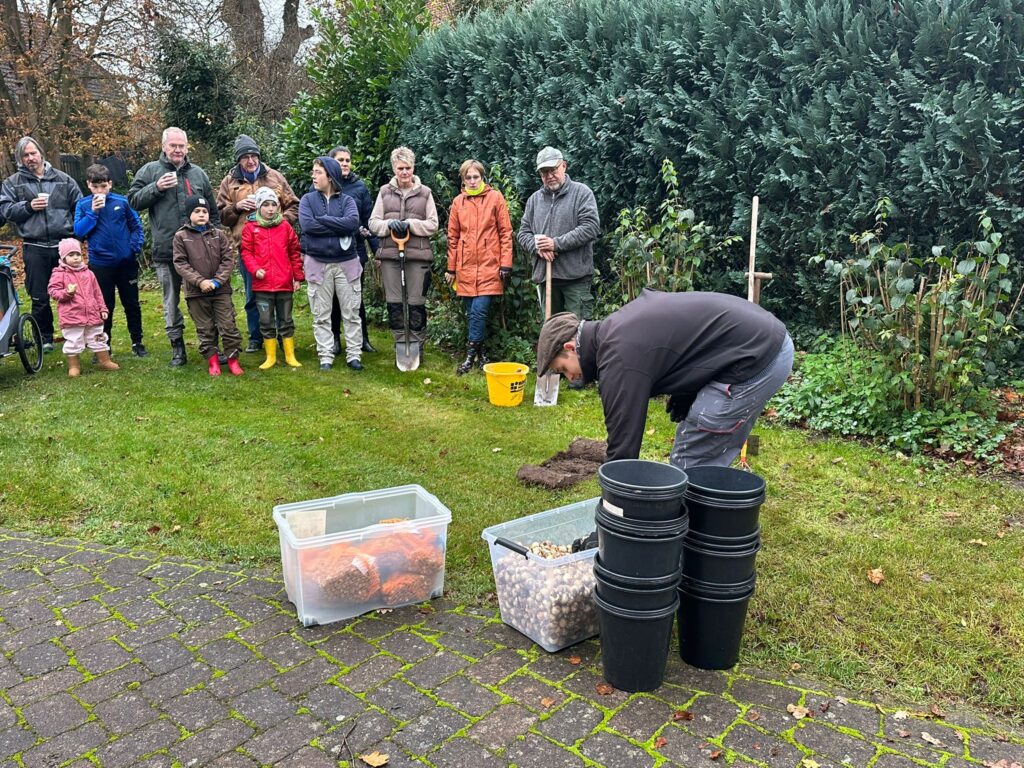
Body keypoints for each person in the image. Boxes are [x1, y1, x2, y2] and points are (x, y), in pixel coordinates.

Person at [536, 289, 794, 469]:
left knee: (692, 456)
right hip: (760, 339)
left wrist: (613, 510)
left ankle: (695, 524)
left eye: (563, 369)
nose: (570, 378)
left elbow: (623, 449)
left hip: (758, 355)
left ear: (570, 347)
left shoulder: (618, 358)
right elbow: (683, 344)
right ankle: (709, 507)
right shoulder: (615, 330)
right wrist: (686, 392)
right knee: (703, 443)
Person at [128, 127, 218, 367]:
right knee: (170, 301)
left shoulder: (198, 174)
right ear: (163, 147)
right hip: (166, 250)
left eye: (181, 146)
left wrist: (216, 241)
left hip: (200, 252)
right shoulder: (150, 171)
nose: (178, 150)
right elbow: (133, 201)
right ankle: (178, 348)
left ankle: (211, 345)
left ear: (187, 147)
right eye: (173, 146)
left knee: (206, 298)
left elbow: (213, 211)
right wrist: (156, 188)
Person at [216, 134, 299, 354]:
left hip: (278, 248)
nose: (251, 160)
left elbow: (294, 206)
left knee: (280, 293)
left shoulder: (275, 177)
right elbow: (221, 216)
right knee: (253, 294)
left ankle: (282, 335)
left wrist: (281, 223)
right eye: (245, 157)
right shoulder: (229, 182)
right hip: (248, 249)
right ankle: (256, 337)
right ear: (238, 160)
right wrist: (236, 207)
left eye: (254, 156)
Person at [0, 136, 83, 350]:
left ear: (41, 153)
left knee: (74, 292)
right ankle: (44, 338)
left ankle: (78, 334)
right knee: (39, 297)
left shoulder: (63, 179)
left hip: (63, 245)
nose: (30, 158)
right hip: (34, 245)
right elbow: (5, 211)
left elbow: (80, 208)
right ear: (20, 159)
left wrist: (77, 237)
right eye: (25, 155)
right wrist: (28, 207)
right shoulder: (12, 183)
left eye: (33, 153)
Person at [368, 146, 439, 357]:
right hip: (390, 256)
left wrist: (410, 224)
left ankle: (416, 344)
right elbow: (373, 223)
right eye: (400, 168)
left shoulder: (425, 193)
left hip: (418, 257)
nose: (405, 172)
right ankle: (400, 342)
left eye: (408, 168)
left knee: (416, 303)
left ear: (413, 167)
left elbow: (433, 224)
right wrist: (389, 224)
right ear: (394, 169)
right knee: (395, 303)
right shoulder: (384, 192)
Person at [445, 159, 513, 374]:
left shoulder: (495, 197)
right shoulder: (458, 202)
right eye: (469, 178)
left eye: (476, 177)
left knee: (479, 312)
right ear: (463, 180)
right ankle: (482, 355)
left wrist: (505, 264)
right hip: (465, 267)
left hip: (489, 265)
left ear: (482, 177)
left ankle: (469, 356)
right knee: (472, 314)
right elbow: (453, 237)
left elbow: (505, 233)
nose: (473, 181)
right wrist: (451, 268)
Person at [516, 146, 600, 320]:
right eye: (544, 172)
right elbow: (523, 233)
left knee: (577, 331)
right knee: (552, 332)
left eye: (553, 170)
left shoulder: (581, 193)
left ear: (564, 166)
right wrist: (537, 246)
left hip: (575, 279)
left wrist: (555, 244)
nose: (549, 176)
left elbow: (590, 227)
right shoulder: (534, 200)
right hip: (546, 280)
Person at [73, 163, 148, 357]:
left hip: (126, 263)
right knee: (104, 306)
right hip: (100, 265)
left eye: (103, 186)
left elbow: (136, 226)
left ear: (110, 184)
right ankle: (104, 346)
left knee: (132, 304)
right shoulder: (83, 205)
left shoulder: (122, 202)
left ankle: (137, 342)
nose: (100, 191)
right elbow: (79, 232)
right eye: (95, 187)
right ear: (88, 185)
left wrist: (133, 249)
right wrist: (93, 212)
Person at [298, 156, 363, 371]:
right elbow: (308, 226)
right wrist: (338, 226)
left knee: (351, 313)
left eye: (318, 172)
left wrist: (323, 219)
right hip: (317, 264)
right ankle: (325, 355)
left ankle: (354, 355)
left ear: (330, 176)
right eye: (313, 172)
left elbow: (352, 224)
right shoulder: (307, 200)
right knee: (321, 314)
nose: (313, 176)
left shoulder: (348, 201)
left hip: (347, 264)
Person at [172, 196, 243, 377]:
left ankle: (233, 360)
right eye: (197, 211)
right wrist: (200, 281)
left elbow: (228, 260)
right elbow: (180, 263)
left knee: (228, 325)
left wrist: (217, 281)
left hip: (221, 290)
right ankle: (213, 362)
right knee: (205, 329)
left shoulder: (218, 235)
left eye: (204, 211)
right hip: (196, 293)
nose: (202, 214)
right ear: (189, 214)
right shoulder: (181, 237)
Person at [240, 187, 304, 369]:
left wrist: (297, 277)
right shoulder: (250, 228)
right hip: (262, 285)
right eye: (266, 205)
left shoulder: (285, 227)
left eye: (273, 205)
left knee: (286, 320)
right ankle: (270, 356)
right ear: (258, 207)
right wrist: (255, 269)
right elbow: (246, 252)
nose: (270, 209)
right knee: (266, 321)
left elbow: (294, 252)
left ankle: (290, 355)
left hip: (284, 283)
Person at [328, 146, 379, 356]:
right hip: (331, 252)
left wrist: (377, 250)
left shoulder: (359, 187)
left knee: (356, 298)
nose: (345, 163)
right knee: (333, 299)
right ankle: (335, 339)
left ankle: (362, 338)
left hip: (355, 251)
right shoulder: (322, 186)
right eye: (340, 160)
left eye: (347, 160)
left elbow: (369, 220)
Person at [46, 238, 118, 377]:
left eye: (78, 254)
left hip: (92, 314)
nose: (75, 258)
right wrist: (67, 293)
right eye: (71, 255)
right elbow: (53, 291)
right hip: (72, 315)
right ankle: (74, 367)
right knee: (73, 341)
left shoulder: (89, 273)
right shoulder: (59, 274)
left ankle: (105, 361)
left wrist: (102, 308)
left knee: (98, 337)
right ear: (63, 257)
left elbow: (97, 293)